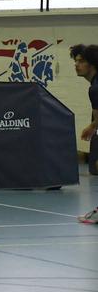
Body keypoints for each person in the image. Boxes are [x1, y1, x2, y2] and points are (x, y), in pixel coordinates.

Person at [70, 44, 98, 224]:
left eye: (81, 61)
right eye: (75, 61)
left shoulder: (95, 88)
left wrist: (91, 127)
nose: (76, 65)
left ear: (92, 64)